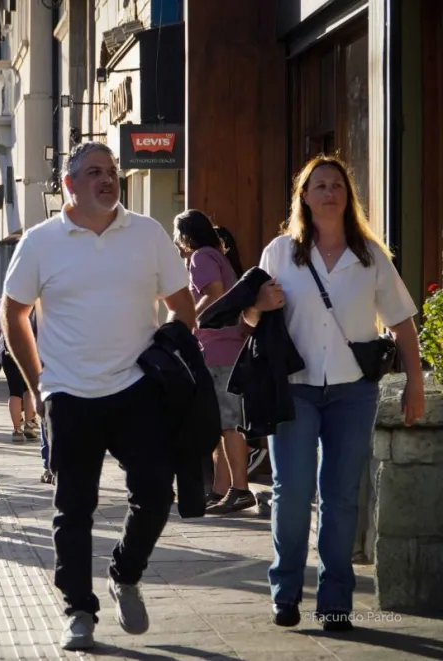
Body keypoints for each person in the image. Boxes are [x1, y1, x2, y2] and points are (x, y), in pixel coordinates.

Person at [1, 141, 195, 650]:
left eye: (111, 171)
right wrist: (37, 381)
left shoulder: (149, 234)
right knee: (74, 507)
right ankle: (78, 611)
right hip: (68, 391)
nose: (107, 179)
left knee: (156, 492)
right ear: (69, 184)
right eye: (94, 172)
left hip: (136, 389)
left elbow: (182, 306)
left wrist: (167, 358)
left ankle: (125, 573)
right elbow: (13, 313)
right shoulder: (41, 242)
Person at [243, 155, 424, 631]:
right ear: (304, 196)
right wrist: (258, 305)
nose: (329, 193)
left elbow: (403, 324)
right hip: (295, 391)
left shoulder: (369, 256)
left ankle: (335, 602)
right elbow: (250, 318)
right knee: (291, 492)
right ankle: (284, 593)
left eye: (337, 186)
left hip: (353, 393)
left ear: (348, 196)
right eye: (319, 185)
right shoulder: (280, 252)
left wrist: (416, 387)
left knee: (341, 497)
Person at [173, 210, 254, 514]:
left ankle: (240, 489)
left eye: (176, 234)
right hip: (227, 348)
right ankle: (222, 490)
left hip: (219, 350)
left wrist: (185, 321)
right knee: (220, 423)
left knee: (229, 423)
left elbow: (214, 294)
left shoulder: (201, 257)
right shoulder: (216, 255)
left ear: (186, 235)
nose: (175, 241)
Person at [0, 302, 39, 444]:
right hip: (32, 350)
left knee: (14, 391)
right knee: (29, 389)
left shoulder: (2, 302)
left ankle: (16, 430)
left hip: (9, 351)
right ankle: (29, 425)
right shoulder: (35, 302)